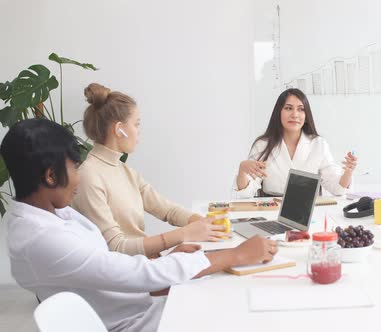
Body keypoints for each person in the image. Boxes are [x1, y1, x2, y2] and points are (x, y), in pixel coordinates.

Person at [2, 118, 277, 332]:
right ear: (51, 175)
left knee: (225, 292)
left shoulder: (57, 210)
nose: (78, 177)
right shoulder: (41, 237)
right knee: (236, 306)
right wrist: (235, 254)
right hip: (131, 321)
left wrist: (174, 260)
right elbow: (126, 270)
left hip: (136, 300)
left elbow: (107, 269)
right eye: (74, 167)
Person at [72, 83, 225, 258]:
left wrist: (205, 223)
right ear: (119, 129)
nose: (139, 132)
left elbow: (167, 210)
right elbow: (116, 247)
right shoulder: (88, 177)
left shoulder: (124, 170)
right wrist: (184, 234)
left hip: (147, 267)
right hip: (128, 276)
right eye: (136, 124)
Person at [235, 88, 357, 198]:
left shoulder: (318, 144)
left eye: (301, 109)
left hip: (306, 212)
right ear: (279, 112)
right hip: (271, 209)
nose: (295, 114)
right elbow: (245, 193)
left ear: (306, 114)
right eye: (288, 108)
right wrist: (242, 170)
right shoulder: (263, 145)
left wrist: (348, 172)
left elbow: (337, 189)